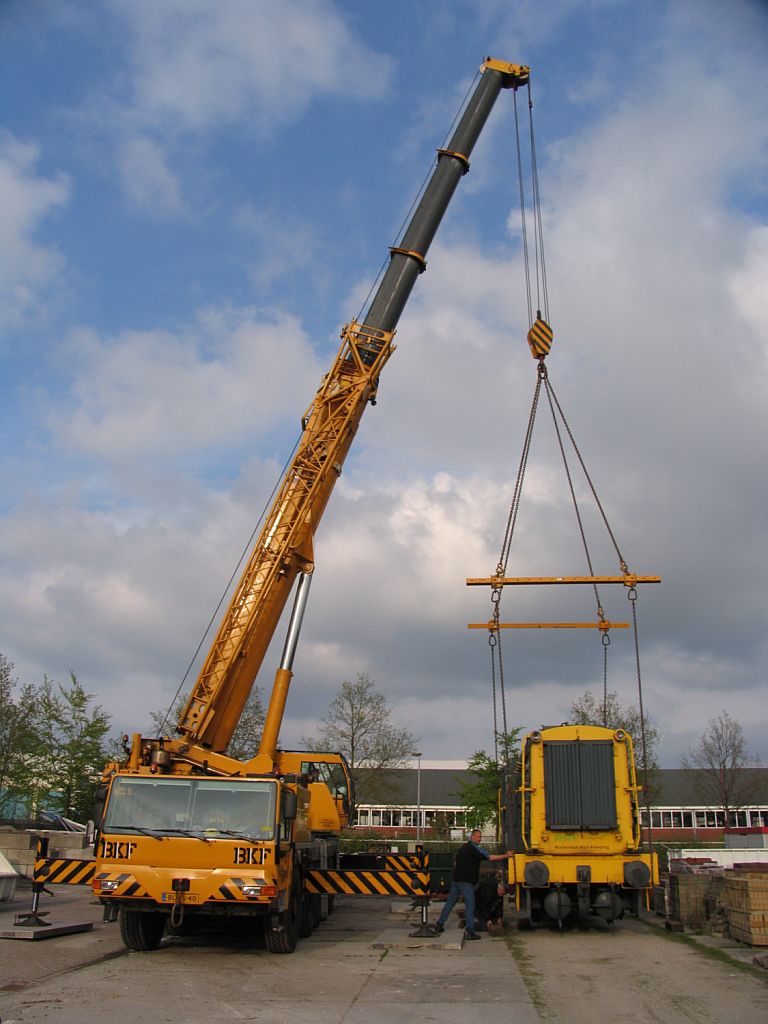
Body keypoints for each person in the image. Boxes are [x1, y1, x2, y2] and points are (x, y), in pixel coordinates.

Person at [432, 829, 513, 940]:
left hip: (456, 880)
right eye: (478, 837)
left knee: (450, 903)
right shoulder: (475, 849)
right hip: (466, 882)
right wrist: (506, 855)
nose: (480, 839)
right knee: (470, 905)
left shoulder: (462, 848)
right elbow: (490, 857)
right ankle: (470, 931)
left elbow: (457, 862)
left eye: (480, 837)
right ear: (472, 837)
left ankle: (439, 925)